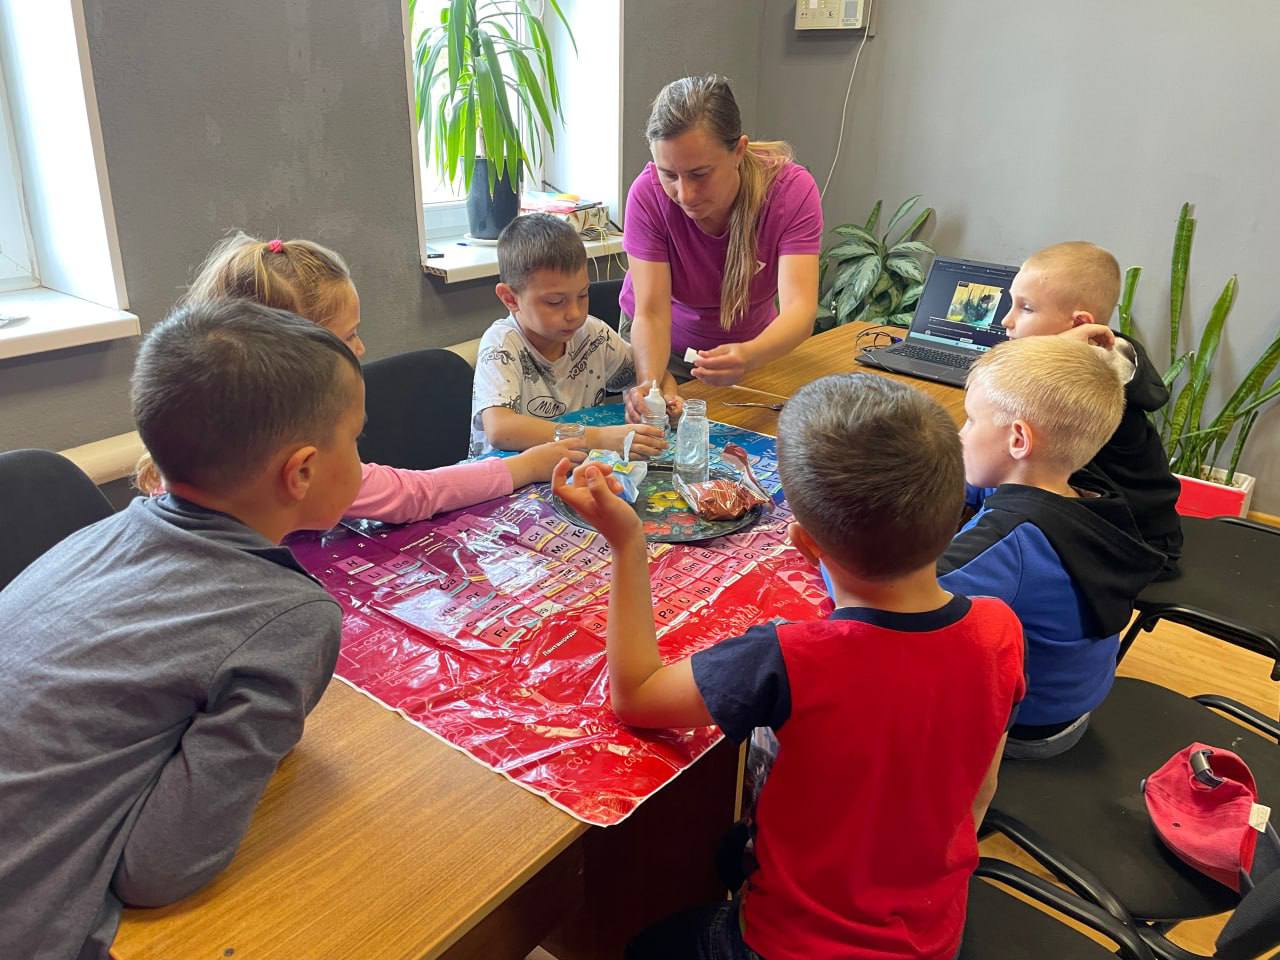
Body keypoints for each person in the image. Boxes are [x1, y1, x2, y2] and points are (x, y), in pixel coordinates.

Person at [554, 374, 1025, 960]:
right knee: (727, 851)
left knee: (646, 945)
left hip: (790, 946)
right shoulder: (1000, 627)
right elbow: (980, 791)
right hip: (931, 932)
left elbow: (636, 695)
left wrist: (627, 543)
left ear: (804, 544)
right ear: (953, 516)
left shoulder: (793, 657)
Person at [0, 301, 362, 959]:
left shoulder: (98, 535)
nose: (362, 457)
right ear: (302, 471)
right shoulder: (292, 618)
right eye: (357, 438)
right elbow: (157, 871)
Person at [135, 231, 578, 524]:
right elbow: (414, 494)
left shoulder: (208, 445)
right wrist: (527, 466)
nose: (361, 349)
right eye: (348, 337)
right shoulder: (288, 465)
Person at [939, 337, 1167, 758]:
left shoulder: (1011, 541)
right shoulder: (1085, 494)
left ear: (1019, 440)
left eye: (970, 421)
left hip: (1029, 730)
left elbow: (897, 591)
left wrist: (830, 547)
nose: (959, 434)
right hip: (1072, 705)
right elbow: (979, 487)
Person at [619, 74, 822, 419]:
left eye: (699, 174)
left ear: (738, 151)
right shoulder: (646, 196)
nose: (685, 195)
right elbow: (650, 314)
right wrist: (651, 386)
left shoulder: (791, 191)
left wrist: (749, 355)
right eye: (669, 175)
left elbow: (799, 310)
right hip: (659, 348)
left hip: (754, 351)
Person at [1002, 240, 1183, 578]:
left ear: (1078, 325)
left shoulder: (1087, 381)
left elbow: (1007, 396)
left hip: (1136, 543)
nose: (1006, 320)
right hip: (1107, 521)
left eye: (1025, 308)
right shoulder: (1098, 354)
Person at [471, 213, 674, 456]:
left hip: (575, 467)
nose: (575, 313)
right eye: (555, 302)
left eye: (583, 295)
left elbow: (654, 376)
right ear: (510, 299)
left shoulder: (592, 334)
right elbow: (501, 429)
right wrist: (599, 438)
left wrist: (663, 400)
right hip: (510, 473)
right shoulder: (501, 345)